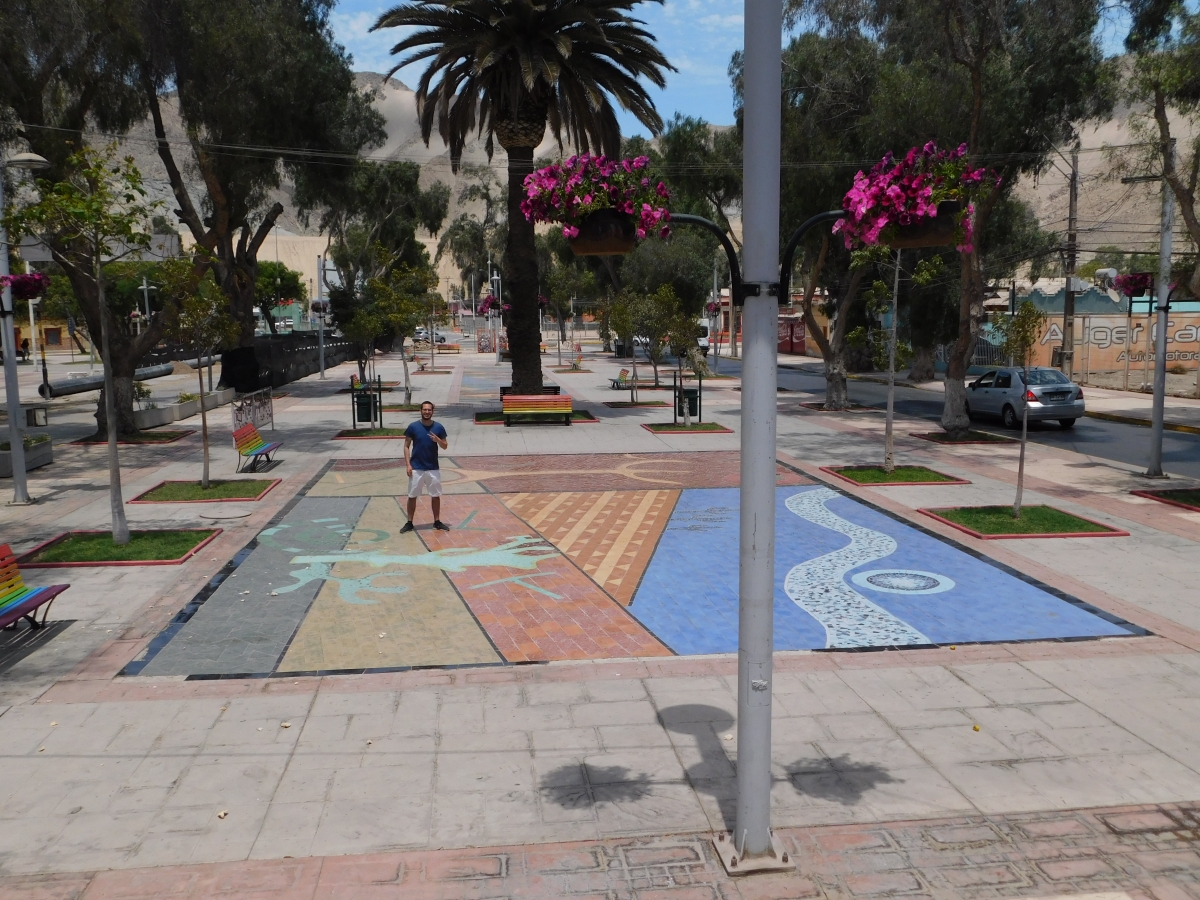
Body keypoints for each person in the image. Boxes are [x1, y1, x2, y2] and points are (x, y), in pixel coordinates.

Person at [401, 400, 449, 532]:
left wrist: (437, 440)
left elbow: (445, 446)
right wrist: (408, 464)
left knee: (435, 495)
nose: (427, 412)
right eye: (425, 410)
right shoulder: (413, 427)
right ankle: (409, 522)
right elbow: (406, 446)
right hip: (416, 467)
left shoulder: (439, 427)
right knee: (412, 495)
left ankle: (437, 521)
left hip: (433, 467)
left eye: (429, 410)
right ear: (420, 411)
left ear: (432, 411)